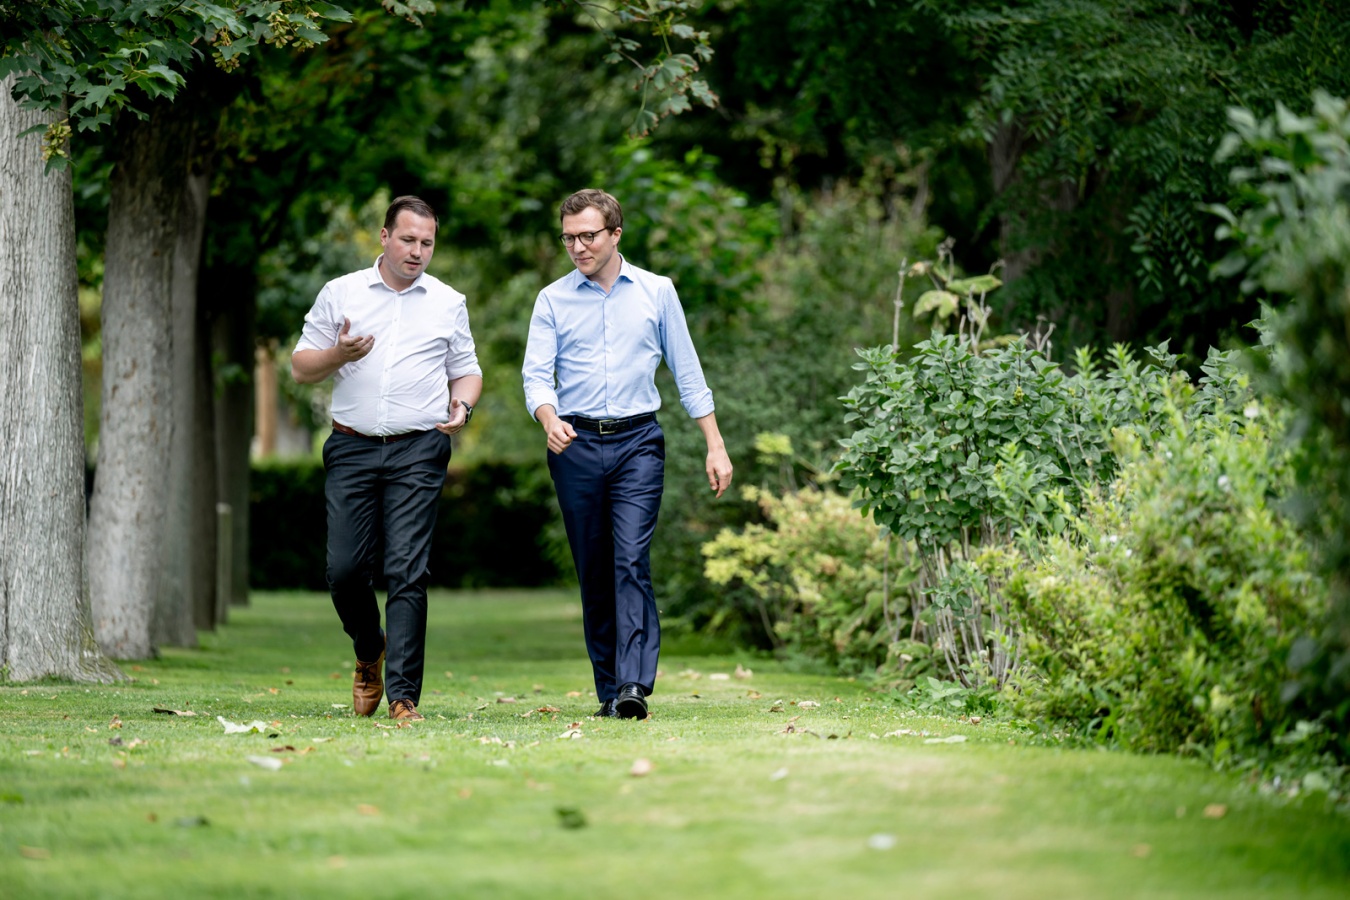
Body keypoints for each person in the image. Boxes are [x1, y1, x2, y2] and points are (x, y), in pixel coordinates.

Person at [522, 188, 733, 720]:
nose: (578, 247)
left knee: (631, 560)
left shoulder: (657, 292)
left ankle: (634, 685)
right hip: (574, 444)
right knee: (594, 568)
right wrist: (548, 419)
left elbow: (688, 372)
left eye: (588, 236)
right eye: (569, 238)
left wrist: (715, 444)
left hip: (638, 443)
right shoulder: (552, 300)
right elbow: (535, 376)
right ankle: (609, 689)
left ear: (616, 234)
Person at [291, 195, 482, 722]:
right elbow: (302, 368)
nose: (417, 251)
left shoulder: (448, 302)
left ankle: (403, 697)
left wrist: (462, 405)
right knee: (345, 571)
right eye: (408, 240)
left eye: (427, 243)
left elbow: (467, 371)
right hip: (352, 445)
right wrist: (339, 354)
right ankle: (368, 646)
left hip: (420, 448)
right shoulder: (342, 292)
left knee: (407, 570)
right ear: (384, 236)